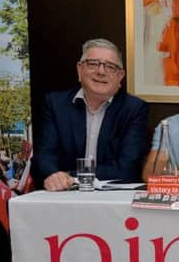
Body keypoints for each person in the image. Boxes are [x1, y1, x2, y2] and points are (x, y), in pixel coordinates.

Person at [31, 38, 148, 191]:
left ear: (120, 77)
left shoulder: (134, 109)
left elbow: (127, 167)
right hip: (64, 195)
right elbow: (45, 154)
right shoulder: (55, 104)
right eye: (93, 64)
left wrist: (69, 176)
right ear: (80, 70)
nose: (101, 71)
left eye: (110, 67)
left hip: (112, 198)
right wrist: (53, 175)